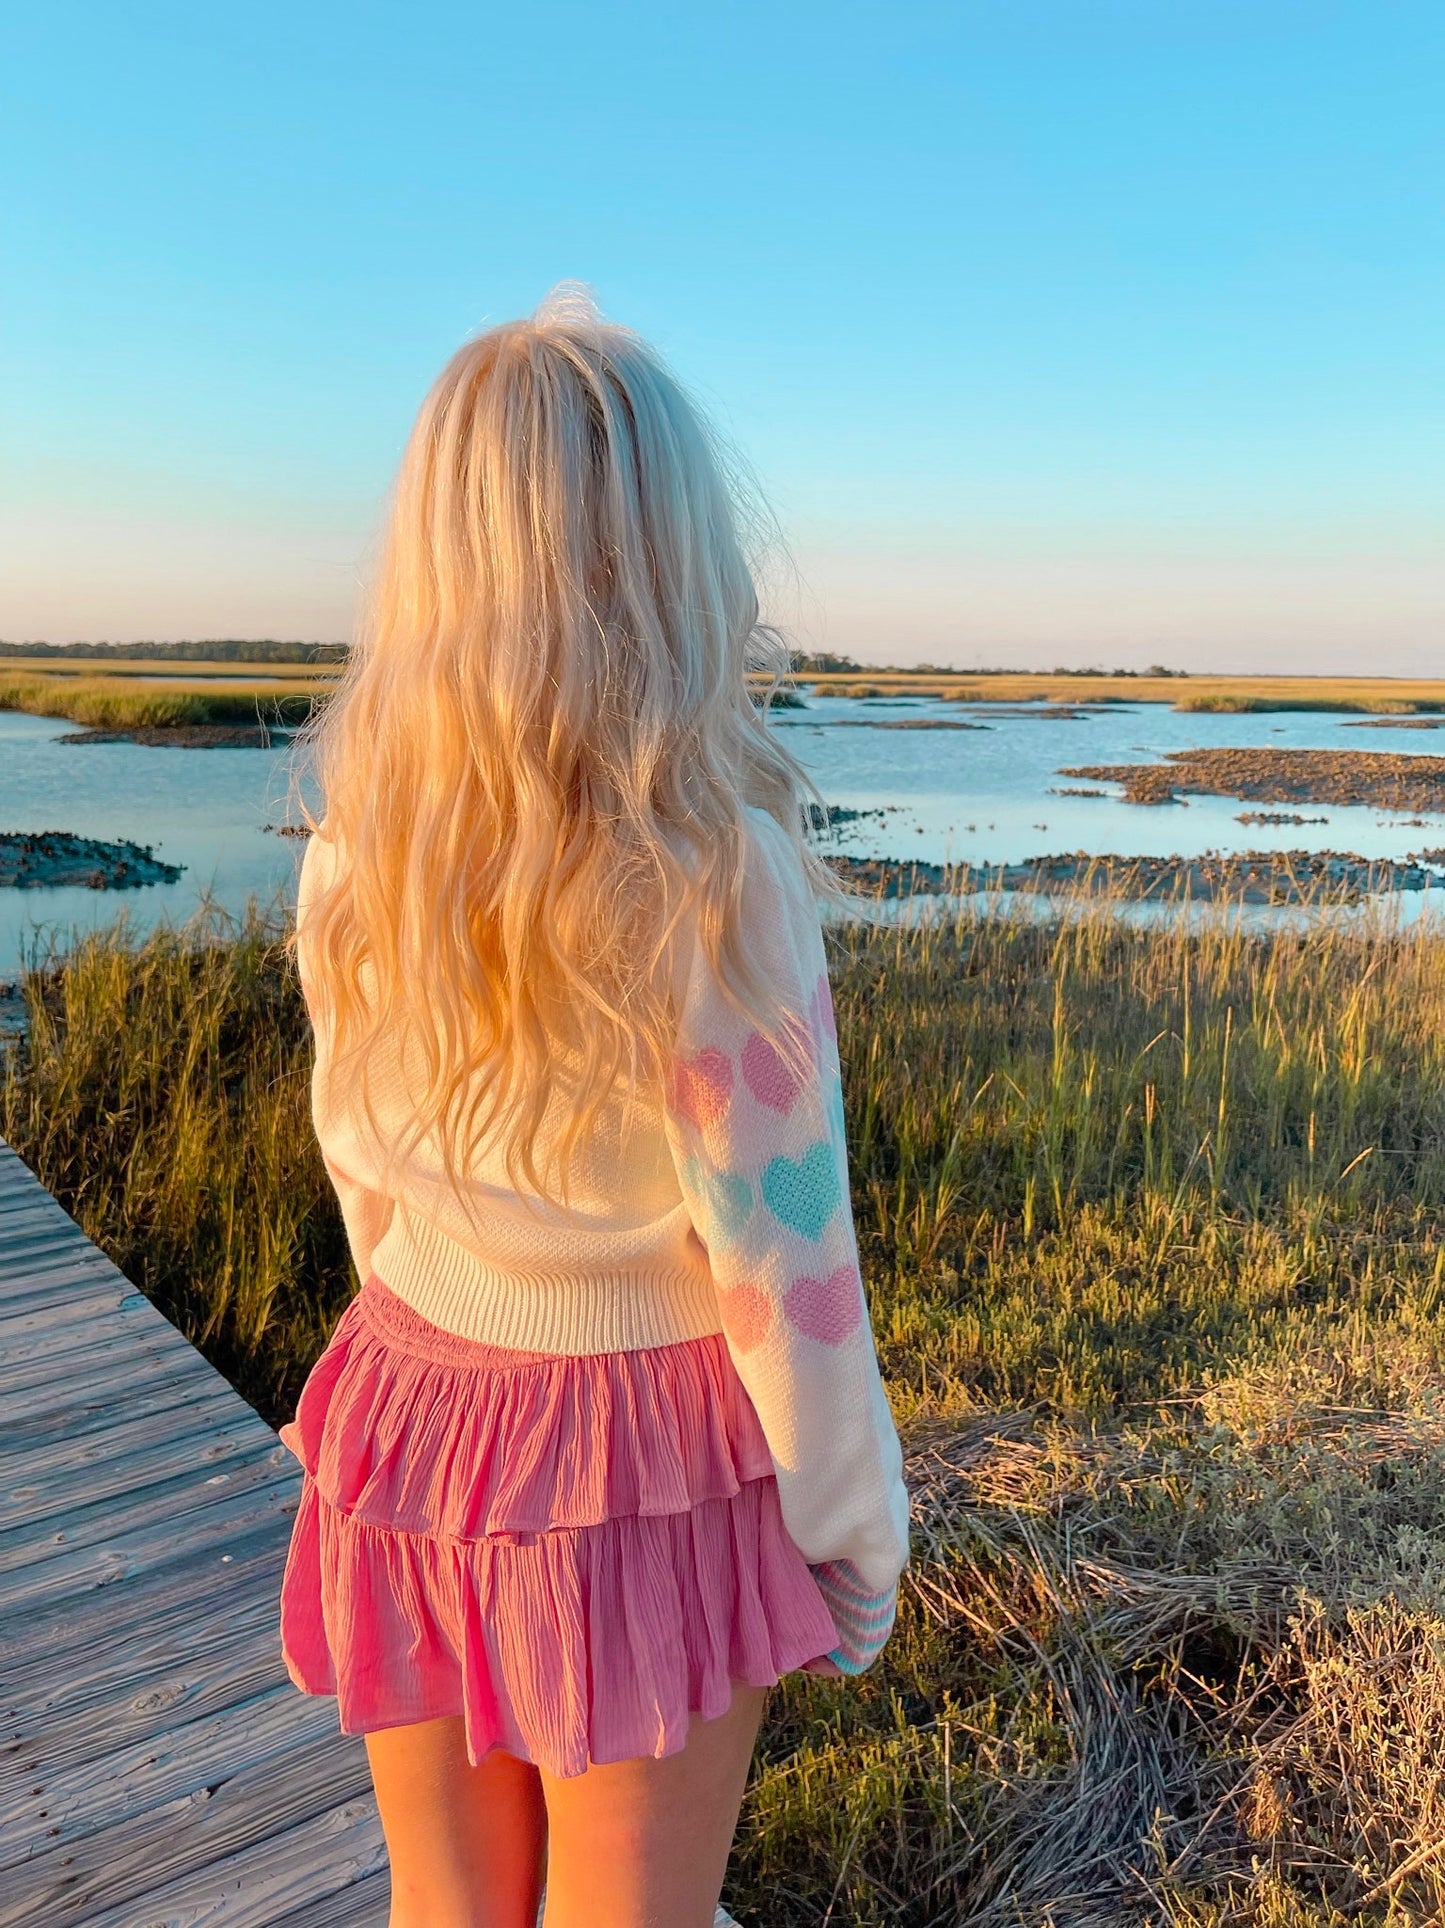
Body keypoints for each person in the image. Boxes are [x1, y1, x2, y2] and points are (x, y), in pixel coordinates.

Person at [276, 284, 912, 1928]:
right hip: (636, 1452)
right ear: (674, 558)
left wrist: (428, 1362)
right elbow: (787, 1260)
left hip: (405, 1411)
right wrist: (852, 1534)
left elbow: (362, 1174)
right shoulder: (718, 875)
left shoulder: (360, 842)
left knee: (447, 1903)